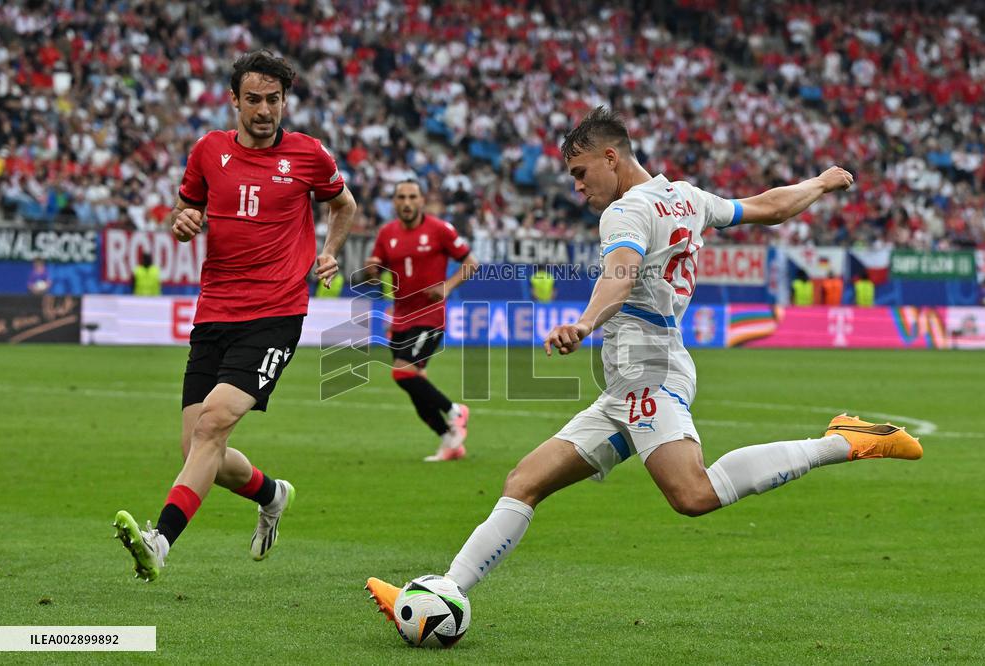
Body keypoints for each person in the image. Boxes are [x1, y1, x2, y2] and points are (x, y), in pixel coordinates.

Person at [366, 107, 922, 623]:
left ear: (612, 157)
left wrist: (584, 323)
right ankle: (444, 591)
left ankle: (843, 441)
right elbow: (768, 208)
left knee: (694, 494)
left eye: (581, 174)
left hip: (649, 375)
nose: (579, 189)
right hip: (631, 383)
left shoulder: (625, 212)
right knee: (525, 481)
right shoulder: (686, 197)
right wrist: (821, 184)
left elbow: (622, 274)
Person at [113, 50, 358, 582]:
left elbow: (345, 205)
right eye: (254, 99)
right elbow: (187, 210)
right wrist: (183, 222)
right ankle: (271, 494)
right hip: (215, 311)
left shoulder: (309, 155)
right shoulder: (207, 151)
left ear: (284, 101)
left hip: (276, 312)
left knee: (212, 426)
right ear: (235, 101)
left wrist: (330, 250)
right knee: (198, 447)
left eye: (273, 99)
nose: (264, 109)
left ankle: (160, 542)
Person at [365, 180, 479, 462]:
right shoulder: (386, 233)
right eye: (401, 196)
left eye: (412, 197)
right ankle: (449, 441)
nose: (406, 202)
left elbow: (471, 263)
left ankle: (455, 411)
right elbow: (375, 268)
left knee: (402, 372)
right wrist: (371, 271)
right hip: (400, 316)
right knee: (417, 385)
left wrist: (447, 287)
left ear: (421, 201)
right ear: (394, 202)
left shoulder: (439, 229)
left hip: (429, 315)